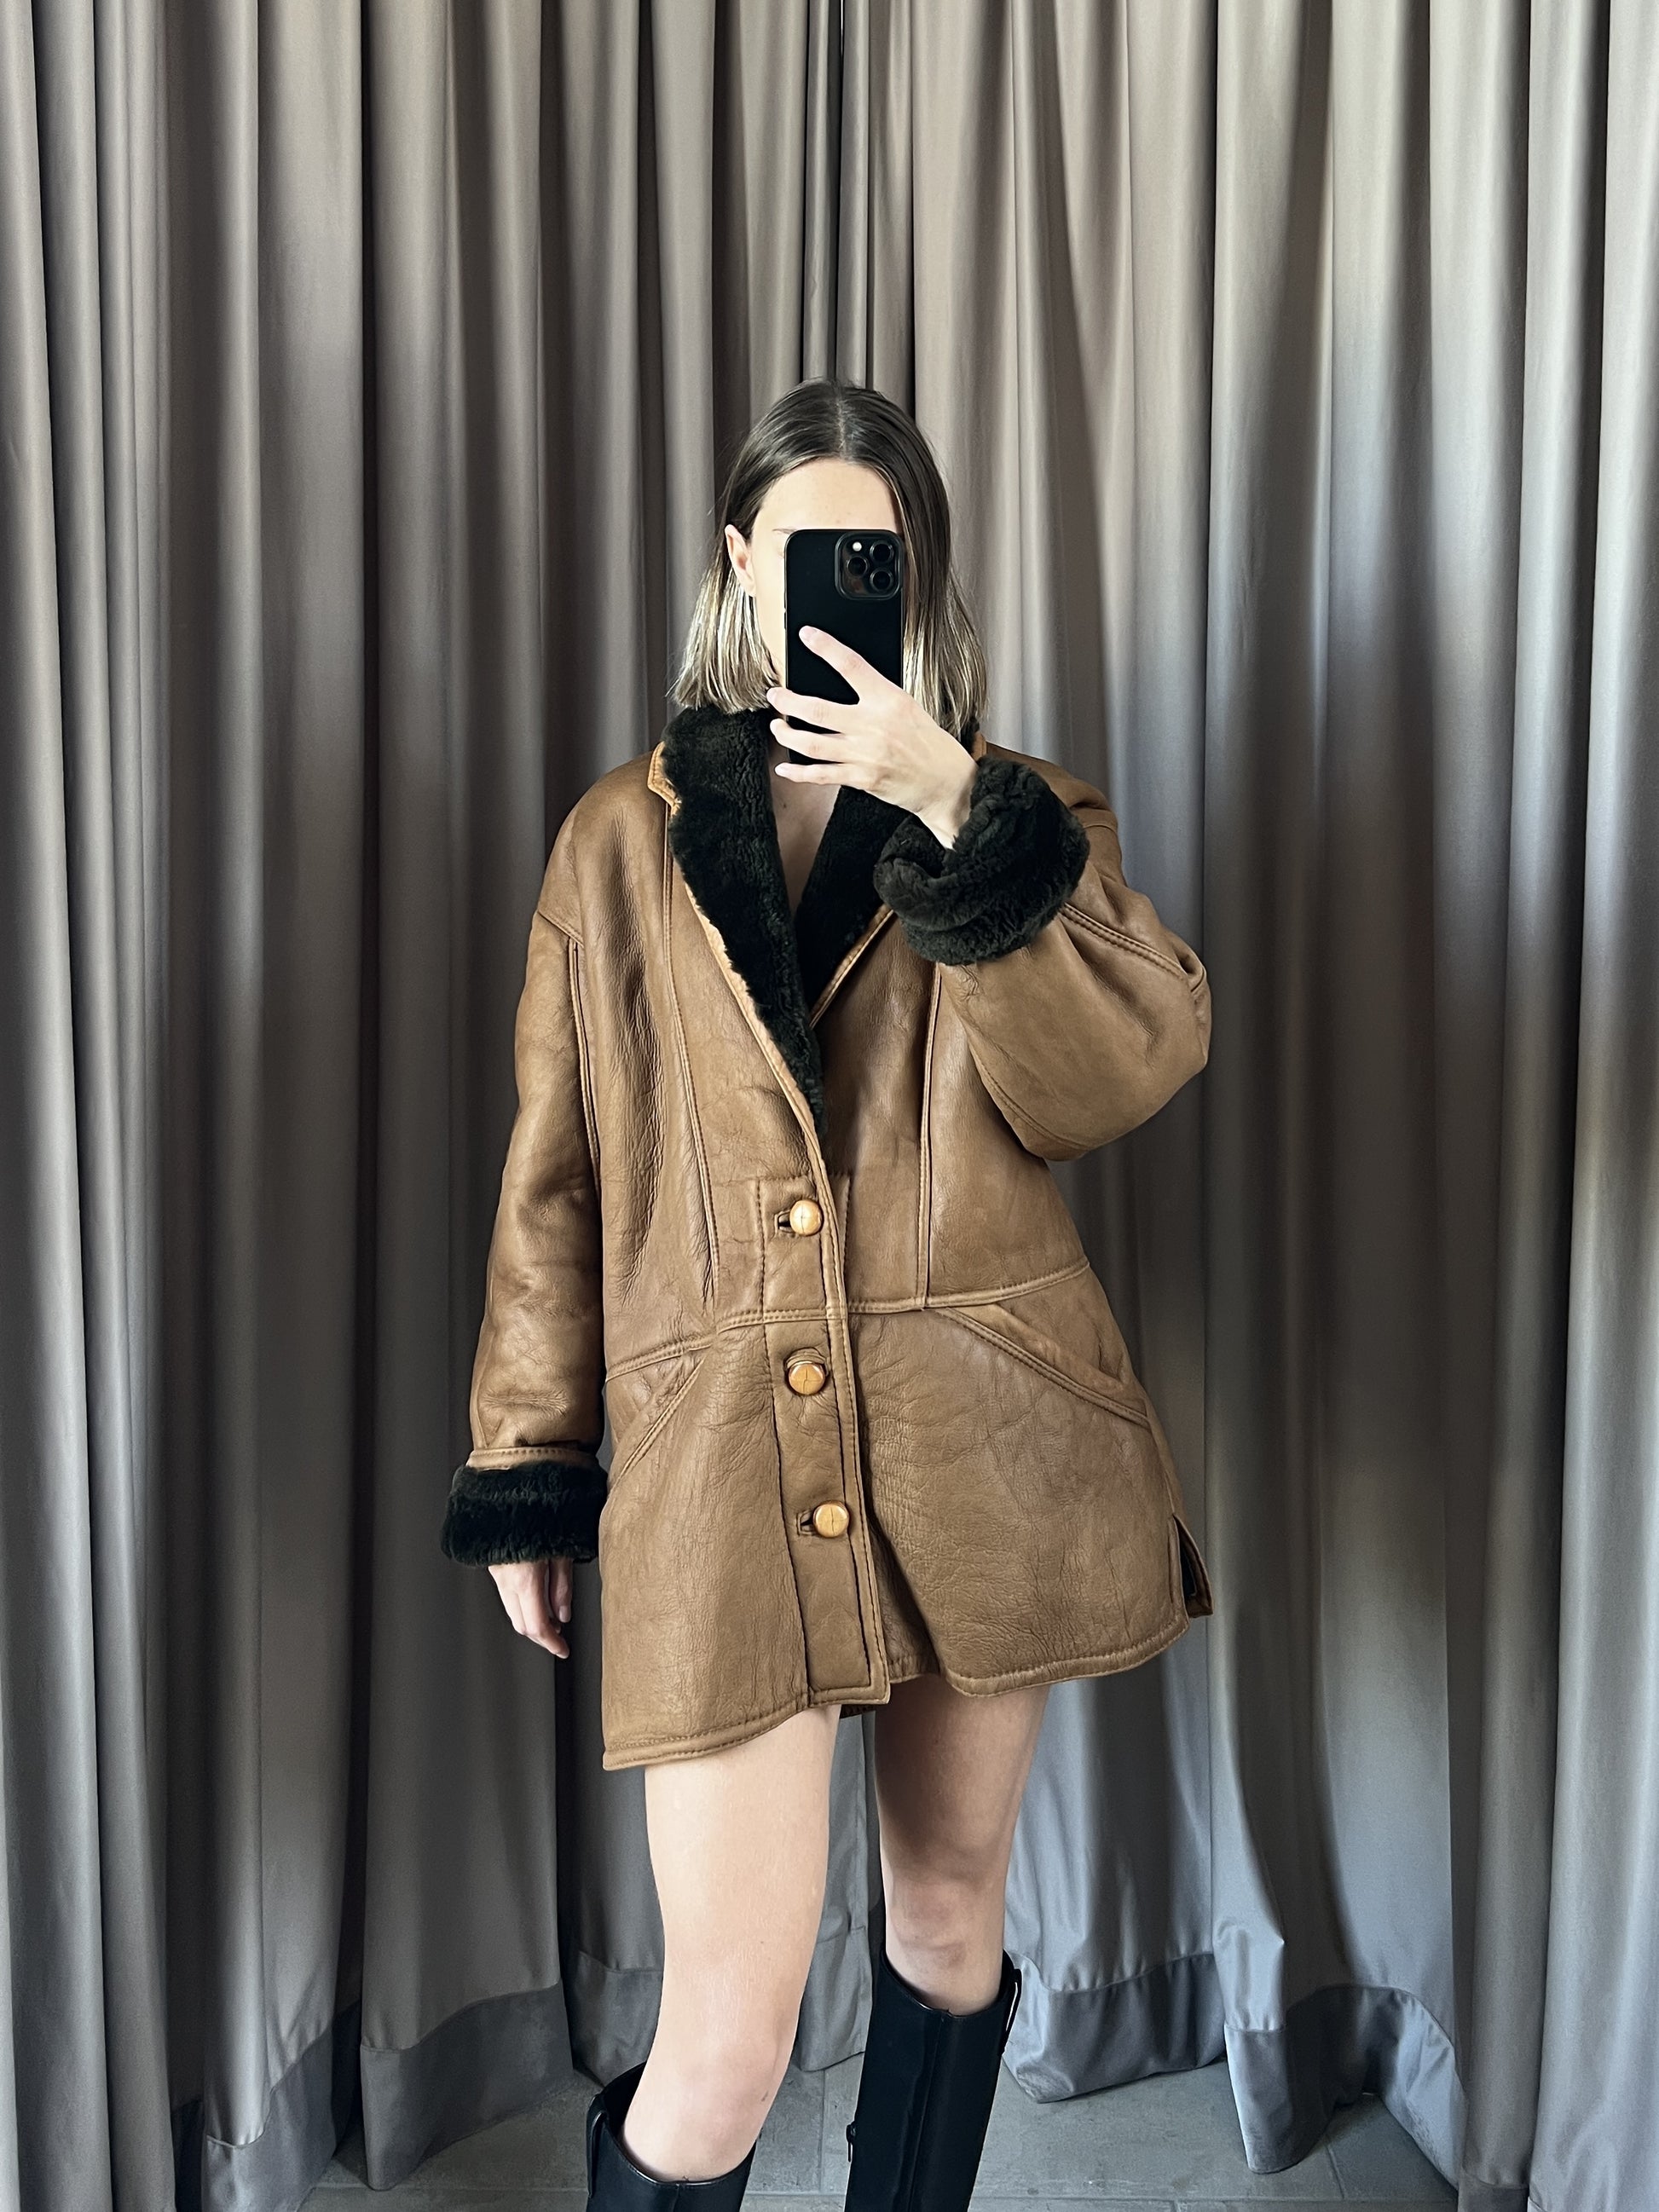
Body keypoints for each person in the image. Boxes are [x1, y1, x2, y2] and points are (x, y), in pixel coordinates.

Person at [439, 378, 1215, 2211]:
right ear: (739, 563)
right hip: (718, 1453)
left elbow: (1116, 1073)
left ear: (918, 578)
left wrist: (951, 802)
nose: (841, 589)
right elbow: (554, 1182)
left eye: (878, 557)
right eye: (806, 555)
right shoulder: (616, 844)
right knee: (723, 2042)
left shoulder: (1020, 816)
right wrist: (528, 1463)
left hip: (981, 1438)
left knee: (945, 1931)